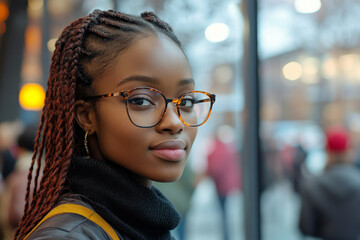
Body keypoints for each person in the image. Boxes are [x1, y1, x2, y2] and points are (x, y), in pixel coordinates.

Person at [14, 9, 216, 240]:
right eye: (141, 100)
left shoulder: (141, 222)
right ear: (86, 115)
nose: (174, 122)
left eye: (187, 101)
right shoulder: (68, 236)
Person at [299, 127, 360, 240]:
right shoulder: (358, 182)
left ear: (327, 152)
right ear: (348, 151)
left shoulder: (312, 185)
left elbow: (306, 227)